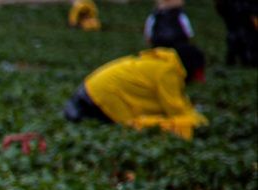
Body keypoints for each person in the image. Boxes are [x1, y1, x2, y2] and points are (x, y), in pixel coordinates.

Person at [63, 44, 207, 139]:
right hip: (101, 98)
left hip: (89, 92)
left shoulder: (161, 63)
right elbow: (175, 109)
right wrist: (196, 120)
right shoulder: (168, 72)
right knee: (129, 129)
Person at [215, 0, 258, 66]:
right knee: (235, 37)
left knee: (246, 38)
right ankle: (237, 59)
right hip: (237, 19)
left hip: (248, 18)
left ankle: (248, 59)